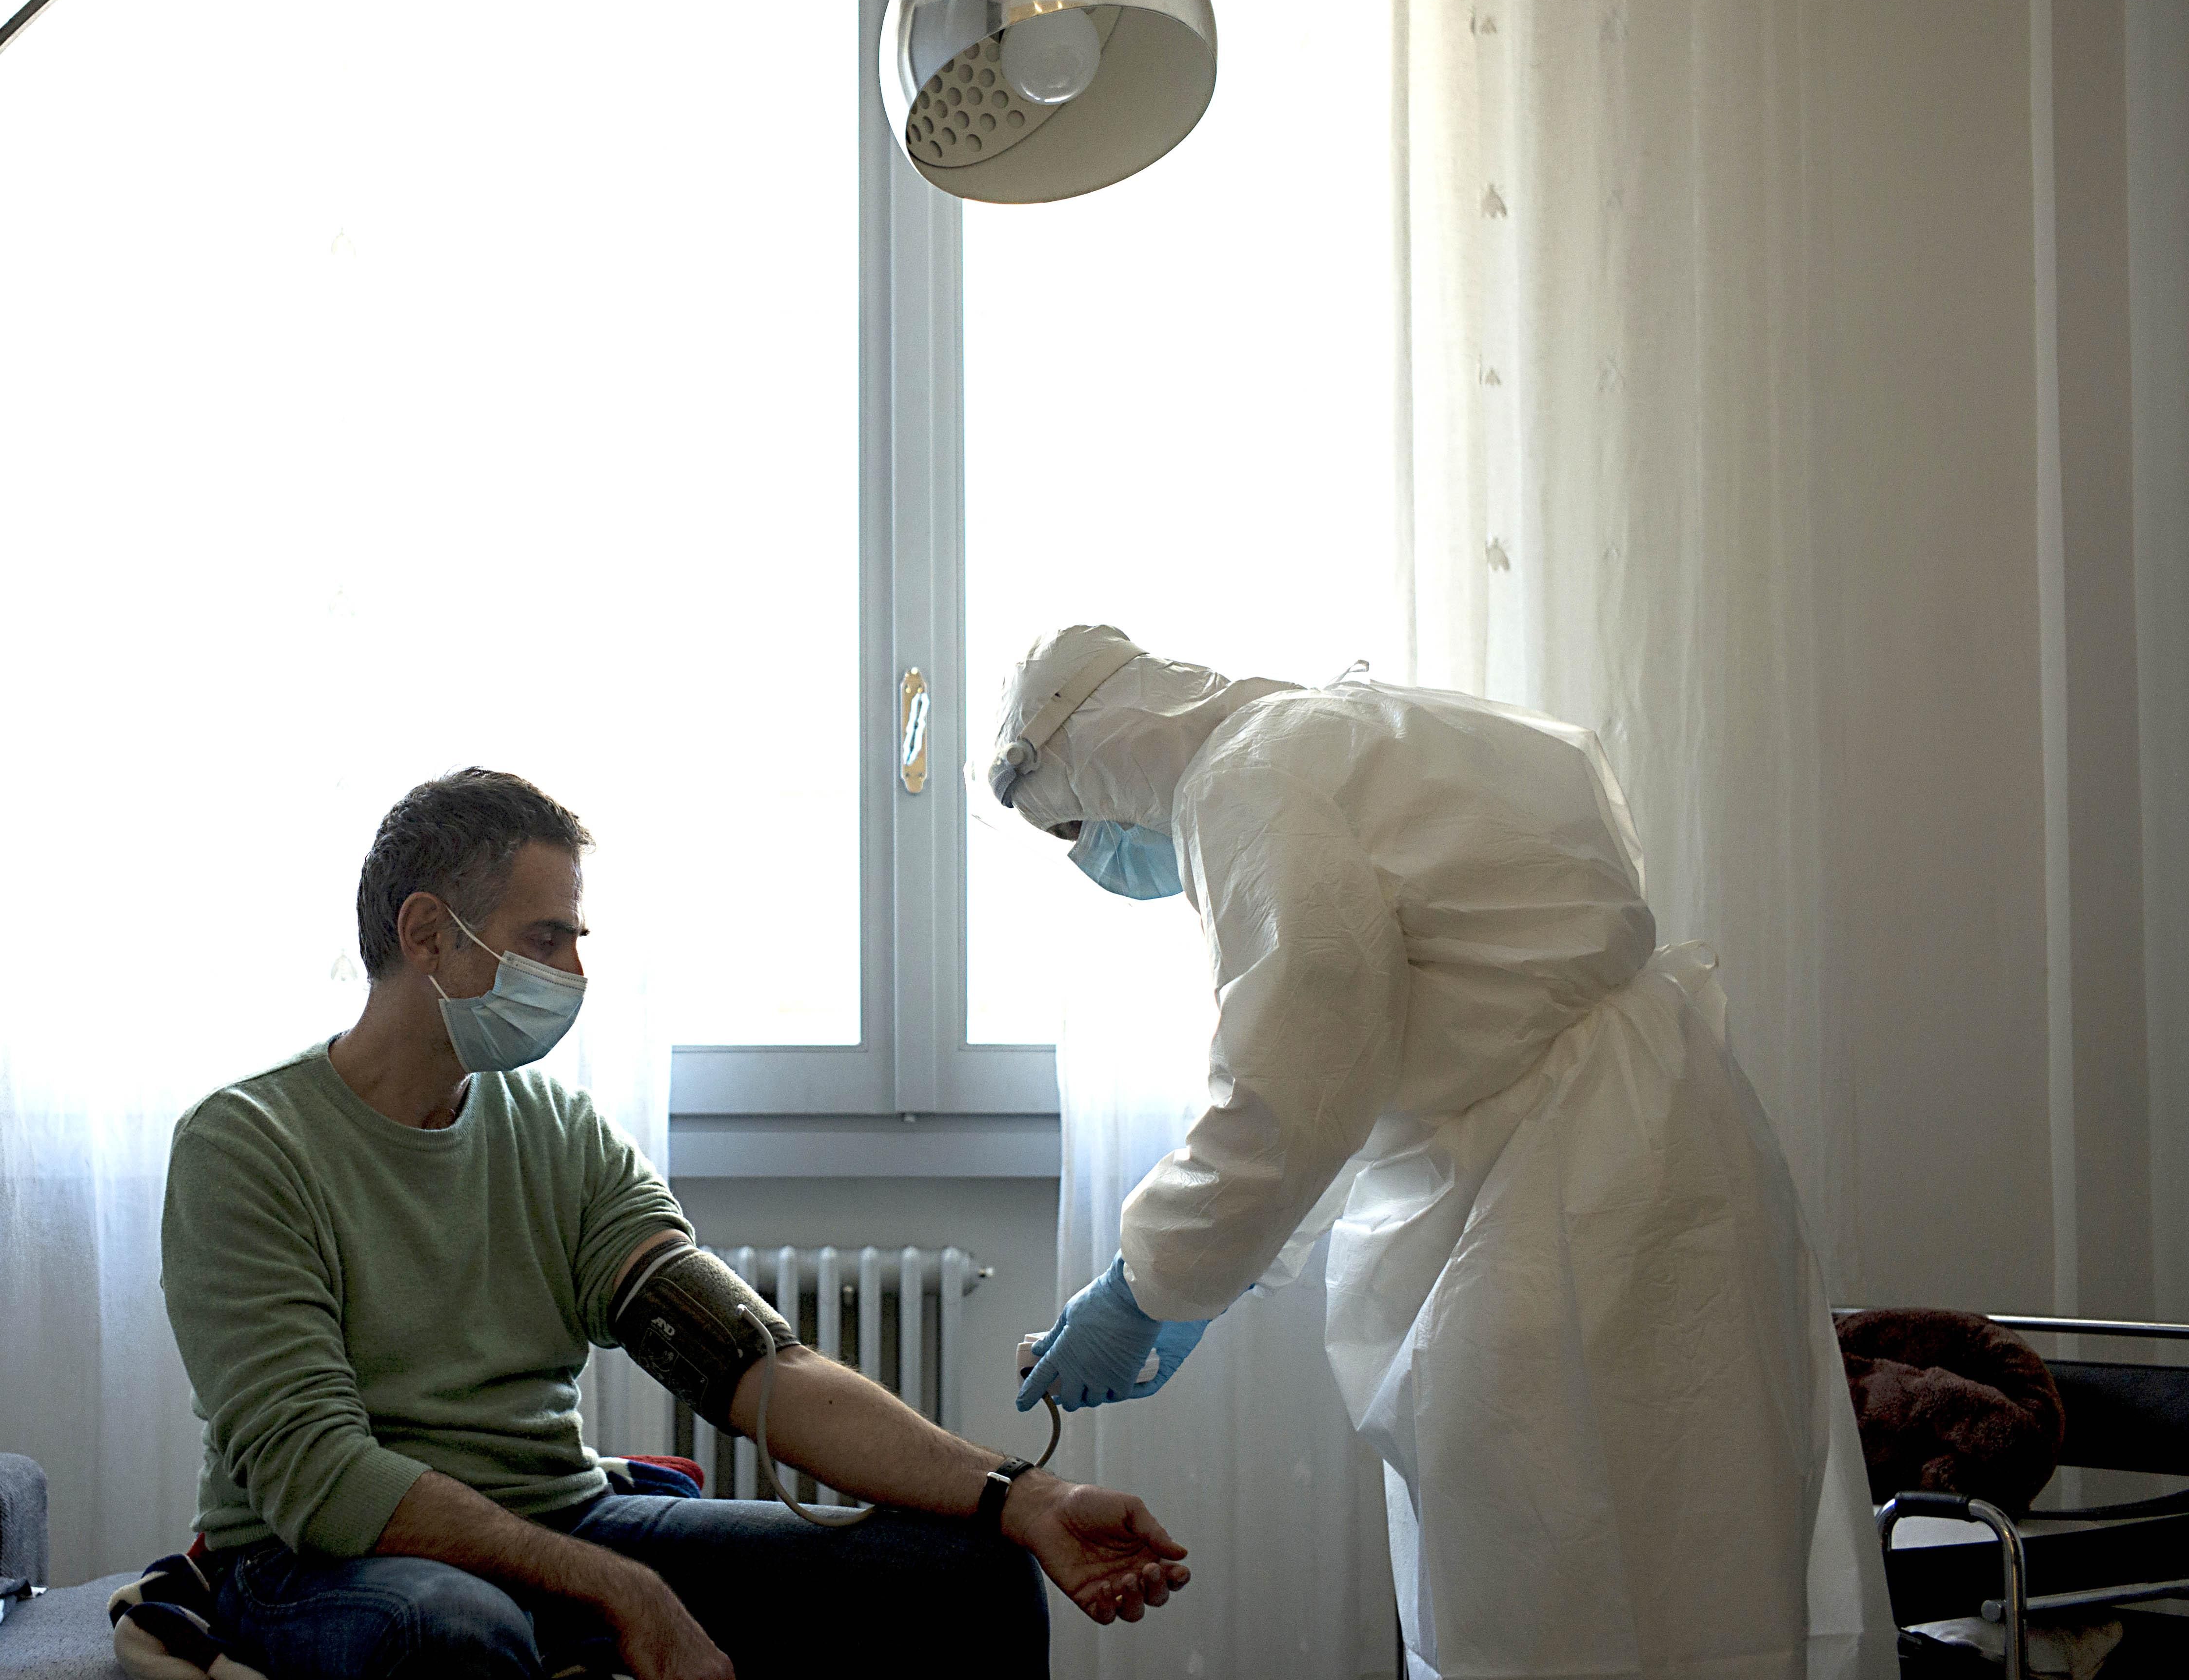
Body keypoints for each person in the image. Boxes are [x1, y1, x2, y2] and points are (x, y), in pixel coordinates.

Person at [994, 629, 1893, 1680]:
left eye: (1073, 827)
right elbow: (1356, 1064)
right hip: (1654, 1143)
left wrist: (1148, 1287)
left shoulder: (1246, 782)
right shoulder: (1340, 729)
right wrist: (1198, 1287)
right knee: (1702, 1558)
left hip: (1556, 1200)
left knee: (1554, 1583)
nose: (1093, 859)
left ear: (1104, 760)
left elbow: (1295, 1060)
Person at [161, 767, 1193, 1680]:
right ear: (427, 932)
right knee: (452, 1629)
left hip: (557, 1515)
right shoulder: (248, 1146)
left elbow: (751, 1365)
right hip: (326, 1561)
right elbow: (320, 1478)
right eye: (545, 937)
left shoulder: (558, 1135)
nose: (572, 972)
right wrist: (623, 1588)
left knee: (964, 1576)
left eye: (576, 938)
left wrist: (1022, 1495)